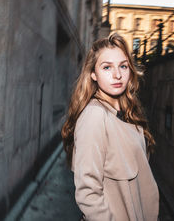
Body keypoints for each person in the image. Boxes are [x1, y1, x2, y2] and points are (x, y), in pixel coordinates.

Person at [61, 33, 159, 221]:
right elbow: (88, 194)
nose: (117, 75)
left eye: (123, 66)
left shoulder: (128, 113)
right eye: (107, 67)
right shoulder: (95, 116)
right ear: (93, 74)